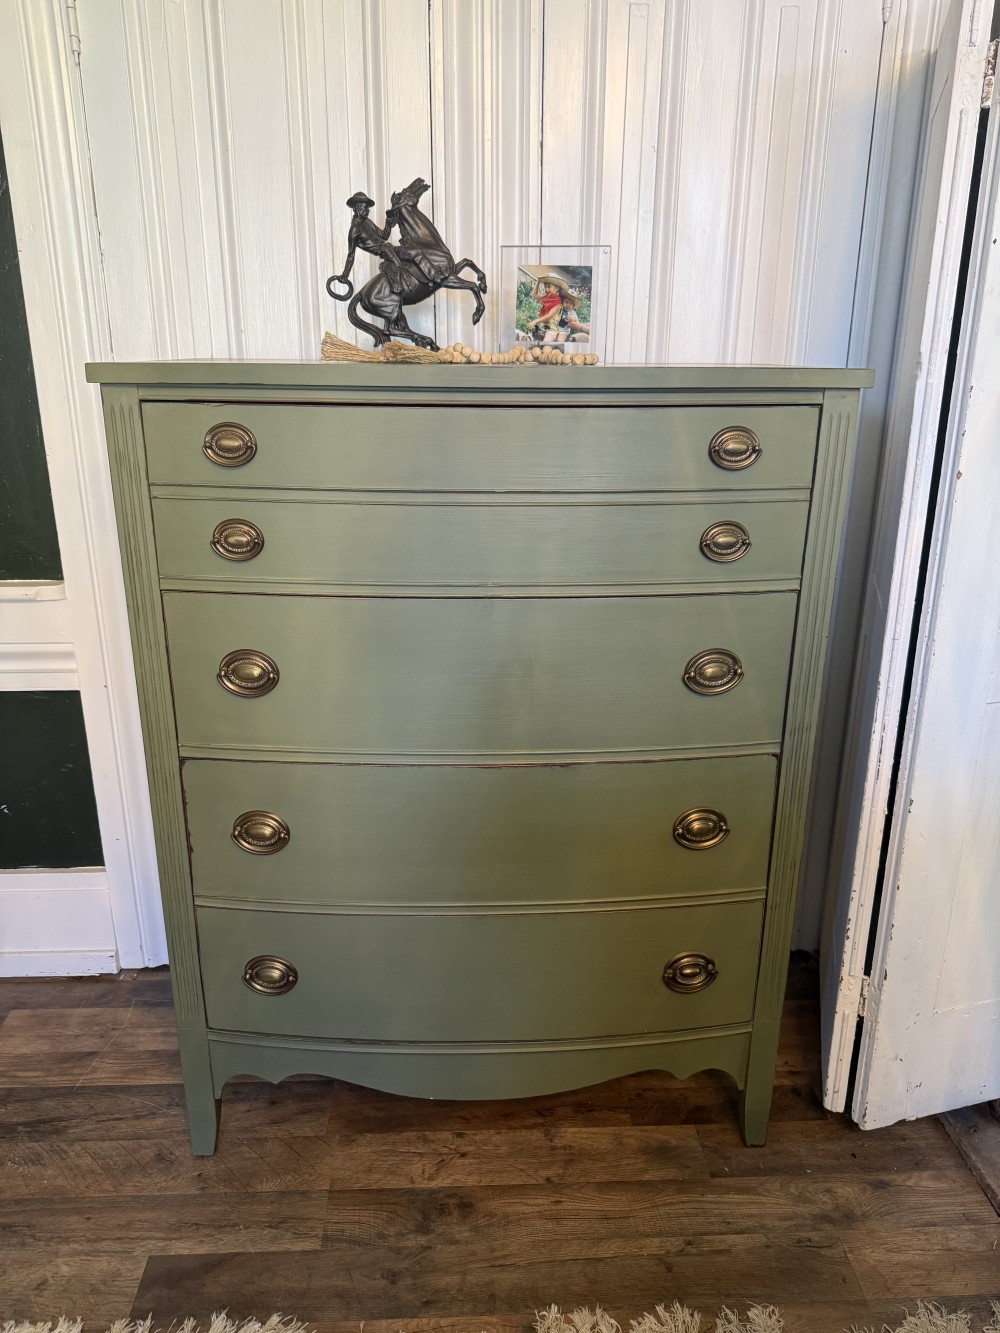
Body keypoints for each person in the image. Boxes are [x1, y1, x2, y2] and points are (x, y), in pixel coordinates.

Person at [526, 273, 569, 338]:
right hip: (543, 327)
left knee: (546, 342)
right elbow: (534, 295)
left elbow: (549, 316)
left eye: (549, 287)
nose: (546, 289)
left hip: (551, 330)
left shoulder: (558, 302)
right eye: (545, 287)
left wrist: (535, 321)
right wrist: (538, 281)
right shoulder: (546, 299)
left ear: (557, 288)